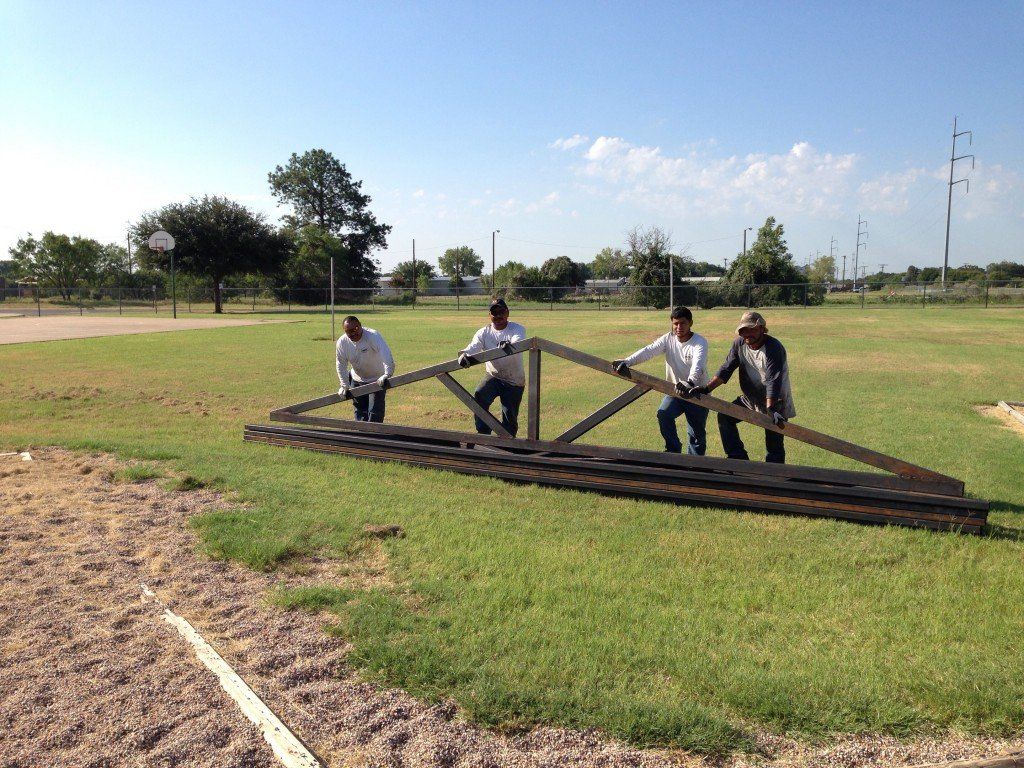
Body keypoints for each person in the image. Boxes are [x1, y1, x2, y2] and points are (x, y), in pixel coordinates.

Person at [700, 311, 795, 463]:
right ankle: (738, 459)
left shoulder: (773, 348)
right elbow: (727, 368)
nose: (747, 334)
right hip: (750, 399)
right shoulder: (739, 343)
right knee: (725, 417)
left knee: (774, 442)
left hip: (776, 401)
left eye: (752, 329)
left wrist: (771, 408)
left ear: (762, 329)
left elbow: (773, 380)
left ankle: (774, 475)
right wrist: (706, 389)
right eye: (744, 330)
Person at [612, 306, 710, 455]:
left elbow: (699, 364)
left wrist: (690, 382)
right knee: (663, 414)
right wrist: (627, 361)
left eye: (683, 323)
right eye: (675, 323)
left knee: (696, 434)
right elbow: (649, 351)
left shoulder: (699, 342)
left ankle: (695, 465)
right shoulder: (668, 338)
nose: (679, 327)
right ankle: (673, 452)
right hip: (674, 392)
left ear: (690, 323)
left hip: (696, 392)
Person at [458, 299, 527, 436]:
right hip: (493, 375)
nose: (498, 316)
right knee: (480, 396)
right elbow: (473, 347)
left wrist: (508, 343)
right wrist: (465, 354)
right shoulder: (483, 332)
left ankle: (508, 442)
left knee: (509, 415)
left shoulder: (517, 328)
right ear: (489, 315)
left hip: (514, 380)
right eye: (494, 313)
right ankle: (483, 434)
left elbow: (517, 341)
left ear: (507, 313)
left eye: (501, 312)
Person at [336, 315, 395, 423]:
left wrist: (387, 374)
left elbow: (386, 353)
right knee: (359, 412)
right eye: (349, 331)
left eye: (356, 329)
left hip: (377, 380)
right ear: (345, 331)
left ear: (360, 325)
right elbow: (341, 364)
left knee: (375, 412)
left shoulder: (373, 336)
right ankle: (362, 438)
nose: (353, 333)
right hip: (356, 380)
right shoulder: (342, 343)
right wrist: (344, 385)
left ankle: (374, 438)